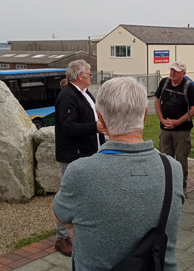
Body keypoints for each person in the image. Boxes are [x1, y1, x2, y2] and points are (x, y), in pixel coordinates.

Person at [53, 77, 184, 270]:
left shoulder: (80, 172)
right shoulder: (172, 168)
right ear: (145, 115)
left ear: (101, 121)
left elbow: (60, 218)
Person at [54, 59, 105, 256]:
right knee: (69, 195)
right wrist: (95, 127)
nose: (91, 76)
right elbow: (68, 127)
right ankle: (62, 237)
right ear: (79, 76)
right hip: (73, 156)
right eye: (89, 73)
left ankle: (82, 231)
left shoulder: (84, 93)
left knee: (85, 195)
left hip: (87, 153)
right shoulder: (68, 96)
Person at [154, 61, 194, 194]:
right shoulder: (164, 83)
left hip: (181, 130)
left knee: (181, 159)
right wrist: (162, 119)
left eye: (177, 71)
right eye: (172, 70)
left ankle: (181, 187)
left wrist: (177, 122)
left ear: (183, 74)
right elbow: (157, 100)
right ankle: (167, 186)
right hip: (165, 129)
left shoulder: (188, 87)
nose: (173, 73)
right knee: (165, 158)